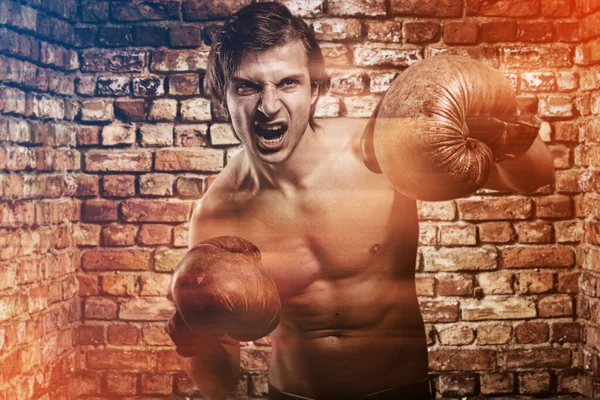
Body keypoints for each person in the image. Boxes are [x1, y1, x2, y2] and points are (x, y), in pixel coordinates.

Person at [165, 3, 556, 400]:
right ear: (222, 95)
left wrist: (506, 127)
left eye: (288, 83)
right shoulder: (218, 216)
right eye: (247, 86)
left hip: (399, 390)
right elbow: (221, 385)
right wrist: (195, 341)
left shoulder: (379, 150)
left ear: (316, 89)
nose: (268, 107)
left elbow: (537, 178)